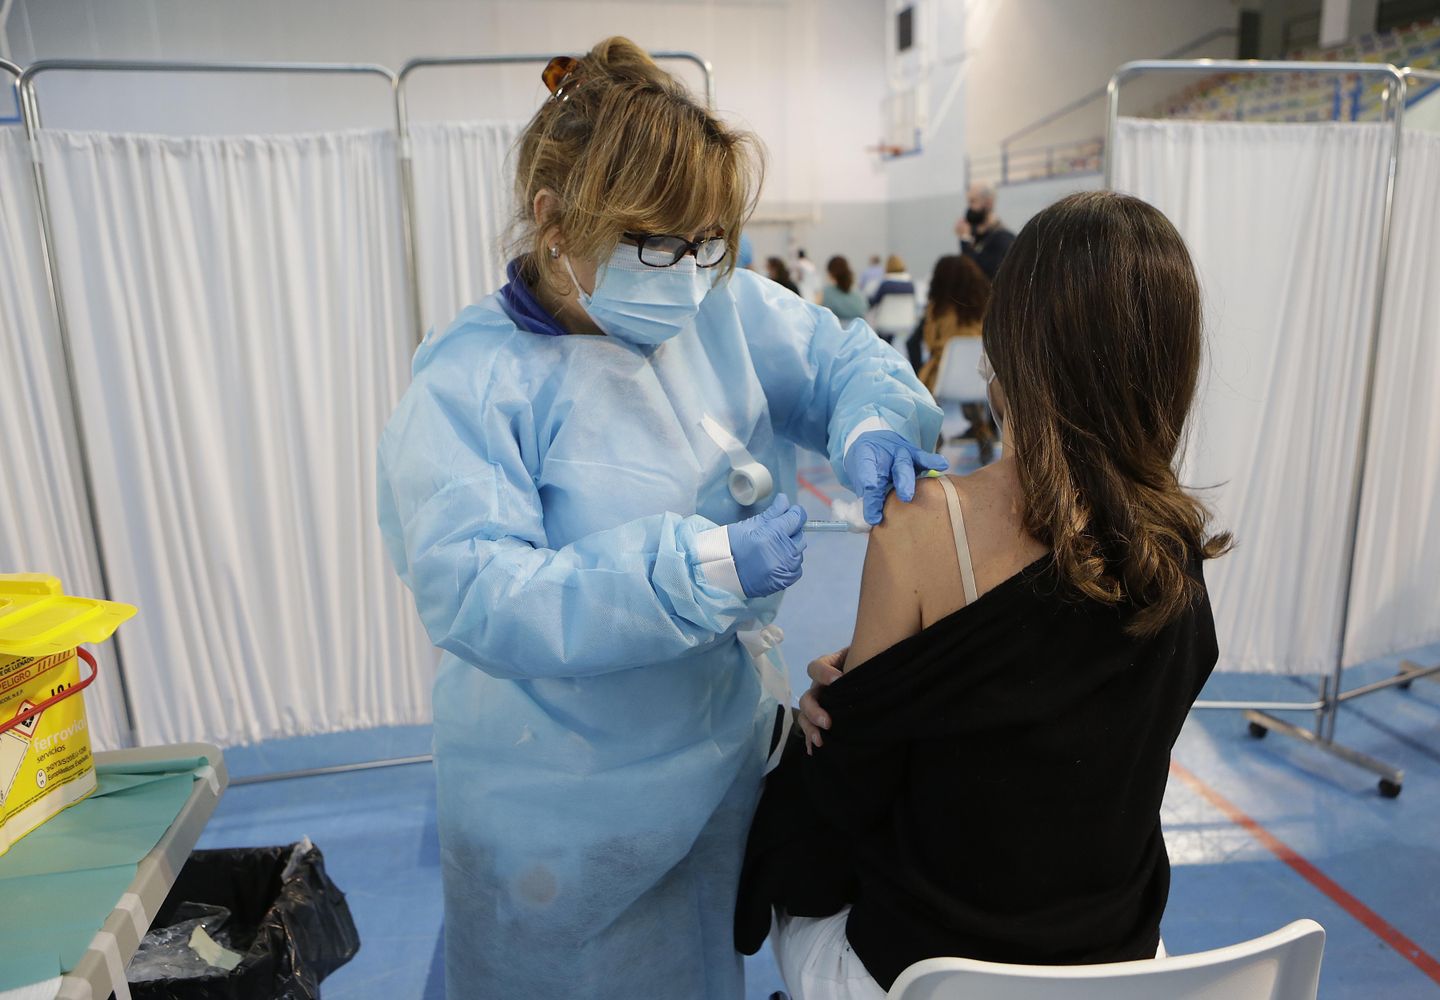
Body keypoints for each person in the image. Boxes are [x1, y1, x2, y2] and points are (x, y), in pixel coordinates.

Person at [375, 38, 946, 1000]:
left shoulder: (716, 309)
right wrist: (695, 572)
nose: (685, 273)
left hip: (718, 768)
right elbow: (474, 589)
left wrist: (873, 419)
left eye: (707, 243)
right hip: (554, 813)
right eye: (655, 244)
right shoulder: (473, 381)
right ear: (556, 221)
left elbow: (843, 359)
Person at [736, 191, 1230, 999]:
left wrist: (834, 720)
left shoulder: (927, 527)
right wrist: (883, 698)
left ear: (1011, 347)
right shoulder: (1175, 551)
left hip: (933, 971)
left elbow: (847, 799)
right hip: (1124, 968)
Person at [917, 255, 996, 463]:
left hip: (943, 378)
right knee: (970, 394)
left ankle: (934, 434)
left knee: (922, 391)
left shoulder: (938, 308)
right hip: (980, 377)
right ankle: (982, 430)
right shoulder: (986, 306)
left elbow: (930, 341)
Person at [955, 181, 1015, 280]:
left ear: (988, 203)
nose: (969, 208)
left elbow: (977, 271)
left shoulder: (1003, 238)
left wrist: (965, 239)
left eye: (973, 201)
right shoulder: (976, 234)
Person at [821, 256, 870, 324]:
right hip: (857, 331)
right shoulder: (857, 293)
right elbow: (864, 310)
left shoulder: (826, 293)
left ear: (830, 273)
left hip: (834, 331)